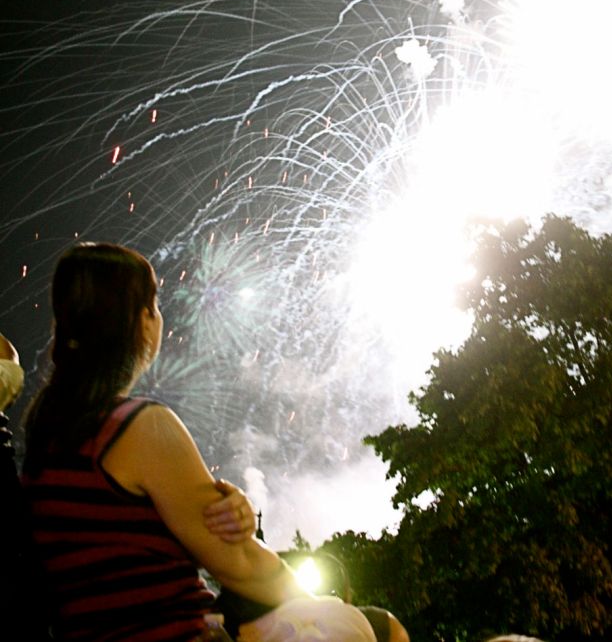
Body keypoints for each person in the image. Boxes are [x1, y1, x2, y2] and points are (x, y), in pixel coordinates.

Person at [21, 242, 408, 642]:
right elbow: (238, 564)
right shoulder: (140, 427)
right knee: (368, 627)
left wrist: (230, 510)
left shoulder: (45, 435)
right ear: (138, 321)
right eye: (152, 306)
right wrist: (317, 603)